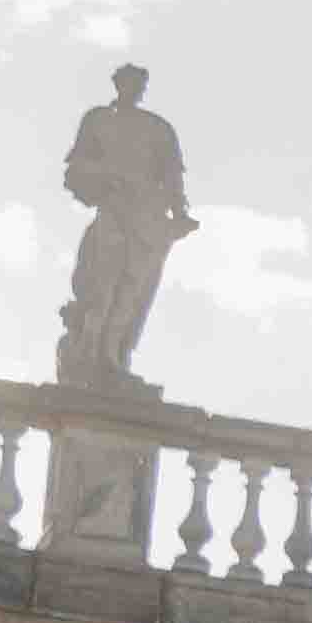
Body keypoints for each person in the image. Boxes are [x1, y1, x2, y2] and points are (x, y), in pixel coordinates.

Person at [52, 64, 195, 394]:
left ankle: (111, 356)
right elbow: (76, 169)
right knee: (102, 284)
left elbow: (173, 176)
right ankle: (91, 354)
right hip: (114, 210)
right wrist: (104, 179)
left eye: (138, 84)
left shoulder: (158, 128)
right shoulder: (99, 120)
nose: (133, 89)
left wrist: (179, 213)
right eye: (128, 82)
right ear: (118, 84)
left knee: (132, 291)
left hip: (148, 219)